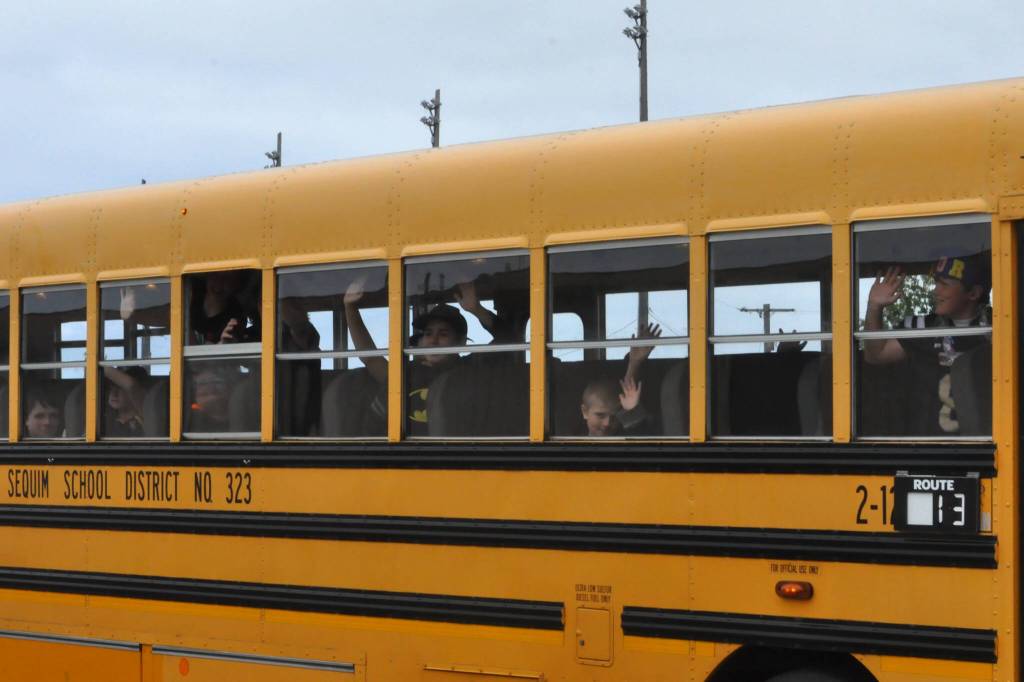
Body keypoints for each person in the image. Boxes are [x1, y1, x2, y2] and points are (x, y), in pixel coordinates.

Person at [344, 277, 502, 435]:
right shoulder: (405, 373)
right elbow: (370, 357)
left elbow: (509, 339)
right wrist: (350, 308)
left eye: (443, 334)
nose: (433, 340)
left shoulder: (470, 369)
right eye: (428, 333)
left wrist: (476, 309)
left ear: (461, 342)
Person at [863, 255, 991, 435]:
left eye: (944, 284)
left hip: (987, 445)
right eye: (935, 282)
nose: (935, 291)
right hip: (930, 448)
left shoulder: (1000, 327)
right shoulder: (921, 327)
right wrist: (874, 306)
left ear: (973, 293)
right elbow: (876, 355)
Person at [579, 323, 661, 436]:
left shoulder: (626, 436)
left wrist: (632, 410)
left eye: (615, 416)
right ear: (585, 412)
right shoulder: (567, 440)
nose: (607, 423)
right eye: (600, 415)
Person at [102, 366, 147, 437]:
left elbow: (131, 385)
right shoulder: (104, 419)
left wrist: (98, 364)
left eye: (121, 388)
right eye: (111, 388)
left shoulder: (145, 416)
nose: (114, 393)